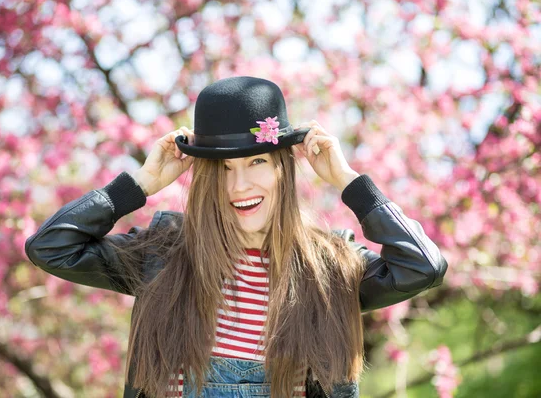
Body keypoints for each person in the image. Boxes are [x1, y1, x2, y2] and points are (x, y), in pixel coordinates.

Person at [25, 76, 448, 398]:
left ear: (284, 167)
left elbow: (421, 266)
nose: (239, 186)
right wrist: (138, 184)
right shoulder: (165, 255)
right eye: (223, 169)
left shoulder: (328, 268)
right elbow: (52, 247)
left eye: (257, 161)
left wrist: (350, 182)